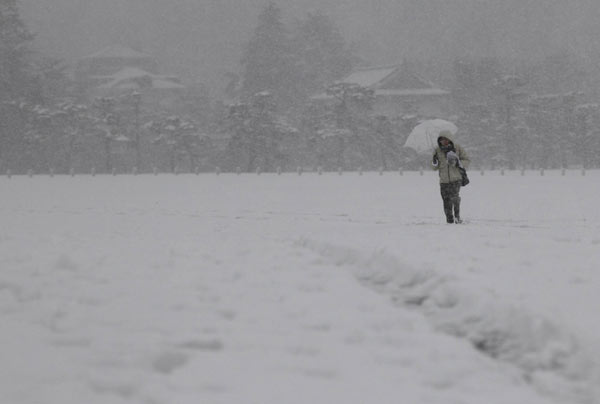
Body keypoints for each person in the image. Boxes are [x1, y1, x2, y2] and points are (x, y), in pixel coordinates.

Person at [432, 130, 470, 223]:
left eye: (445, 139)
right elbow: (434, 168)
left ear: (449, 139)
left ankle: (457, 217)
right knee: (446, 200)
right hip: (443, 180)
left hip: (456, 179)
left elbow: (467, 160)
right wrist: (434, 161)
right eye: (441, 140)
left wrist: (458, 163)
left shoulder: (457, 148)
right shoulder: (437, 150)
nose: (443, 141)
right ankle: (449, 219)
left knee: (455, 198)